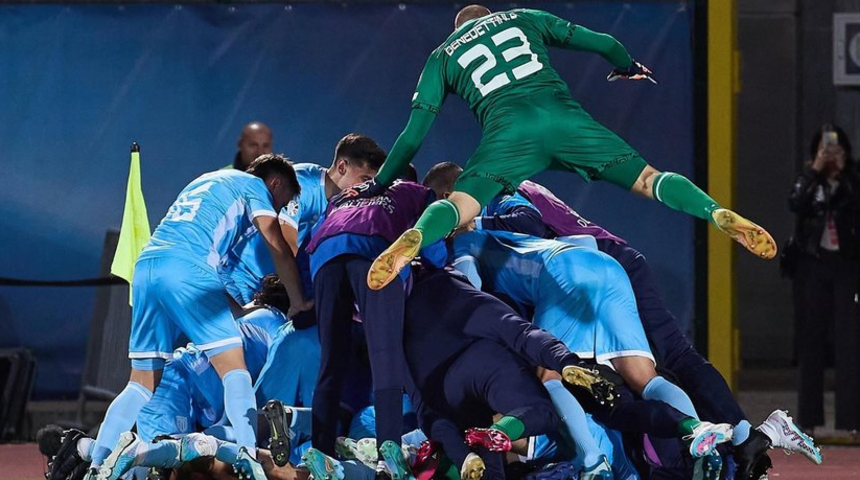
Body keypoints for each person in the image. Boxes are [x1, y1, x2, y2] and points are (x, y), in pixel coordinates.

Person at [424, 162, 823, 477]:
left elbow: (470, 293)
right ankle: (704, 442)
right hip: (602, 265)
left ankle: (592, 462)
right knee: (645, 379)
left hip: (570, 275)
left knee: (552, 375)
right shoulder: (505, 200)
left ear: (447, 198)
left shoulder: (481, 217)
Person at [350, 4, 776, 291]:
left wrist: (380, 184)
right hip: (564, 121)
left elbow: (413, 136)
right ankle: (714, 212)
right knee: (650, 179)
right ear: (492, 17)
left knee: (460, 204)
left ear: (457, 30)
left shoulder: (442, 56)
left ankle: (417, 235)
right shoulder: (523, 18)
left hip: (509, 134)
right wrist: (626, 67)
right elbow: (605, 43)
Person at [83, 154, 312, 480]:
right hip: (187, 269)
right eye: (282, 202)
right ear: (274, 183)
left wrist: (240, 311)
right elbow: (278, 247)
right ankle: (248, 459)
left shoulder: (208, 180)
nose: (278, 210)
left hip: (148, 267)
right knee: (236, 372)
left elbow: (212, 271)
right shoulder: (255, 188)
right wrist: (299, 301)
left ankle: (96, 465)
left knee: (140, 385)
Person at [305, 179, 447, 479]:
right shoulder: (418, 192)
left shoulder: (344, 196)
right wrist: (439, 261)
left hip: (324, 258)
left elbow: (316, 232)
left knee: (331, 361)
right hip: (376, 253)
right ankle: (389, 456)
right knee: (386, 355)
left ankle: (321, 454)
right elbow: (432, 246)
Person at [220, 134, 385, 313]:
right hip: (238, 277)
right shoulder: (300, 182)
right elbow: (284, 242)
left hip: (268, 289)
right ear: (342, 167)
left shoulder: (343, 206)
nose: (368, 189)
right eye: (365, 180)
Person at [789, 124, 860, 432]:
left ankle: (851, 421)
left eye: (835, 149)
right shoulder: (808, 178)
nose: (830, 154)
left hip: (847, 266)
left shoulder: (853, 179)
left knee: (849, 343)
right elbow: (795, 203)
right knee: (811, 343)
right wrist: (815, 171)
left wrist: (843, 175)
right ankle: (808, 421)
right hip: (813, 266)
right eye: (824, 149)